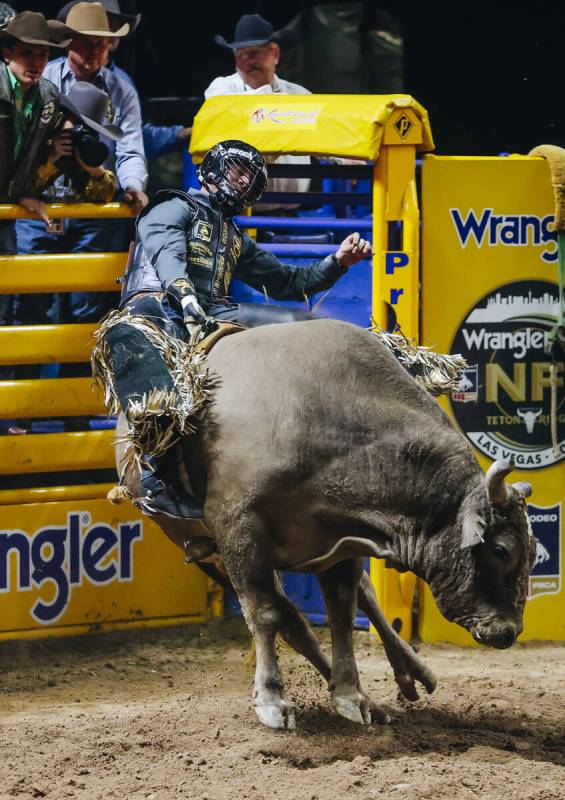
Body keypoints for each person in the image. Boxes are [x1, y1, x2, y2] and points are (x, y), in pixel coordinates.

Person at [92, 140, 372, 520]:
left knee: (301, 326)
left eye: (251, 179)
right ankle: (156, 479)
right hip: (155, 306)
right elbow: (166, 254)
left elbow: (290, 282)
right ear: (213, 170)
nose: (243, 183)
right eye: (238, 172)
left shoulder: (233, 237)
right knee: (154, 379)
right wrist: (185, 296)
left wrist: (337, 261)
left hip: (212, 312)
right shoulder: (173, 205)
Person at [15, 1, 148, 331]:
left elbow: (130, 148)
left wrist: (133, 187)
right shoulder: (39, 80)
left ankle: (76, 382)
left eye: (102, 43)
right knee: (31, 305)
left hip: (93, 211)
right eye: (88, 42)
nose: (96, 50)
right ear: (69, 43)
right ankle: (30, 380)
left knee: (86, 310)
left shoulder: (122, 90)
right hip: (37, 209)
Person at [12, 81, 123, 328]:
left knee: (84, 308)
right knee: (32, 303)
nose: (75, 130)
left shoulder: (84, 143)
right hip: (35, 223)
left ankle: (76, 368)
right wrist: (52, 155)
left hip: (80, 225)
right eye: (74, 121)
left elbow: (104, 194)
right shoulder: (37, 133)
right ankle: (25, 367)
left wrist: (92, 169)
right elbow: (18, 186)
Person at [57, 0, 192, 161]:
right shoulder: (49, 76)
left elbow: (135, 140)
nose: (109, 30)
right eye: (106, 23)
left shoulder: (122, 85)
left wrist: (180, 134)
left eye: (113, 27)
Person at [204, 14, 311, 211]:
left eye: (256, 53)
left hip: (293, 213)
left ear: (275, 54)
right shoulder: (222, 89)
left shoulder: (299, 94)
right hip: (239, 214)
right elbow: (242, 118)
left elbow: (321, 131)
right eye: (242, 54)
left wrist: (345, 160)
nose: (249, 61)